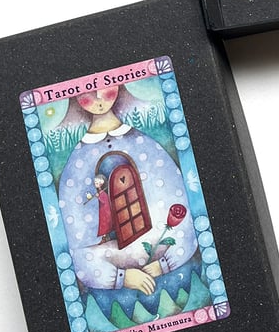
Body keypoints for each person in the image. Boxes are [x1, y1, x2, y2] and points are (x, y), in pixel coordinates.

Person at [56, 86, 199, 300]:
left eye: (105, 88)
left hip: (164, 258)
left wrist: (165, 263)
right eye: (88, 93)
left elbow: (182, 210)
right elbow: (76, 244)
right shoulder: (77, 163)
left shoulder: (144, 145)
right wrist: (121, 277)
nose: (98, 97)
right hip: (113, 271)